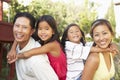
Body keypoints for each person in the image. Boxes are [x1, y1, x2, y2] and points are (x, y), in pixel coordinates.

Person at [7, 15, 67, 80]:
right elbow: (19, 36)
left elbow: (28, 53)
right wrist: (13, 49)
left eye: (47, 29)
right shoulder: (42, 40)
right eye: (40, 29)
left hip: (62, 78)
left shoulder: (53, 45)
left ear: (53, 31)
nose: (43, 32)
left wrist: (15, 56)